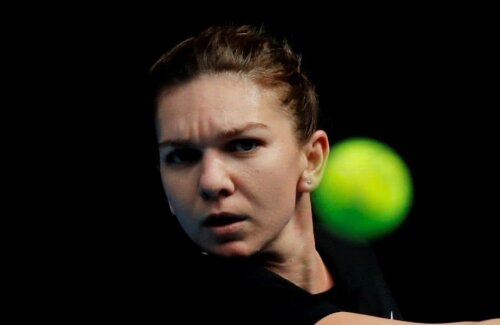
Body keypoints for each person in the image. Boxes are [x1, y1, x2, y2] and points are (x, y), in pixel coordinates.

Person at [146, 25, 499, 324]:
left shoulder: (346, 247)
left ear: (312, 159)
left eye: (243, 145)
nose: (211, 182)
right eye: (181, 156)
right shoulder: (201, 294)